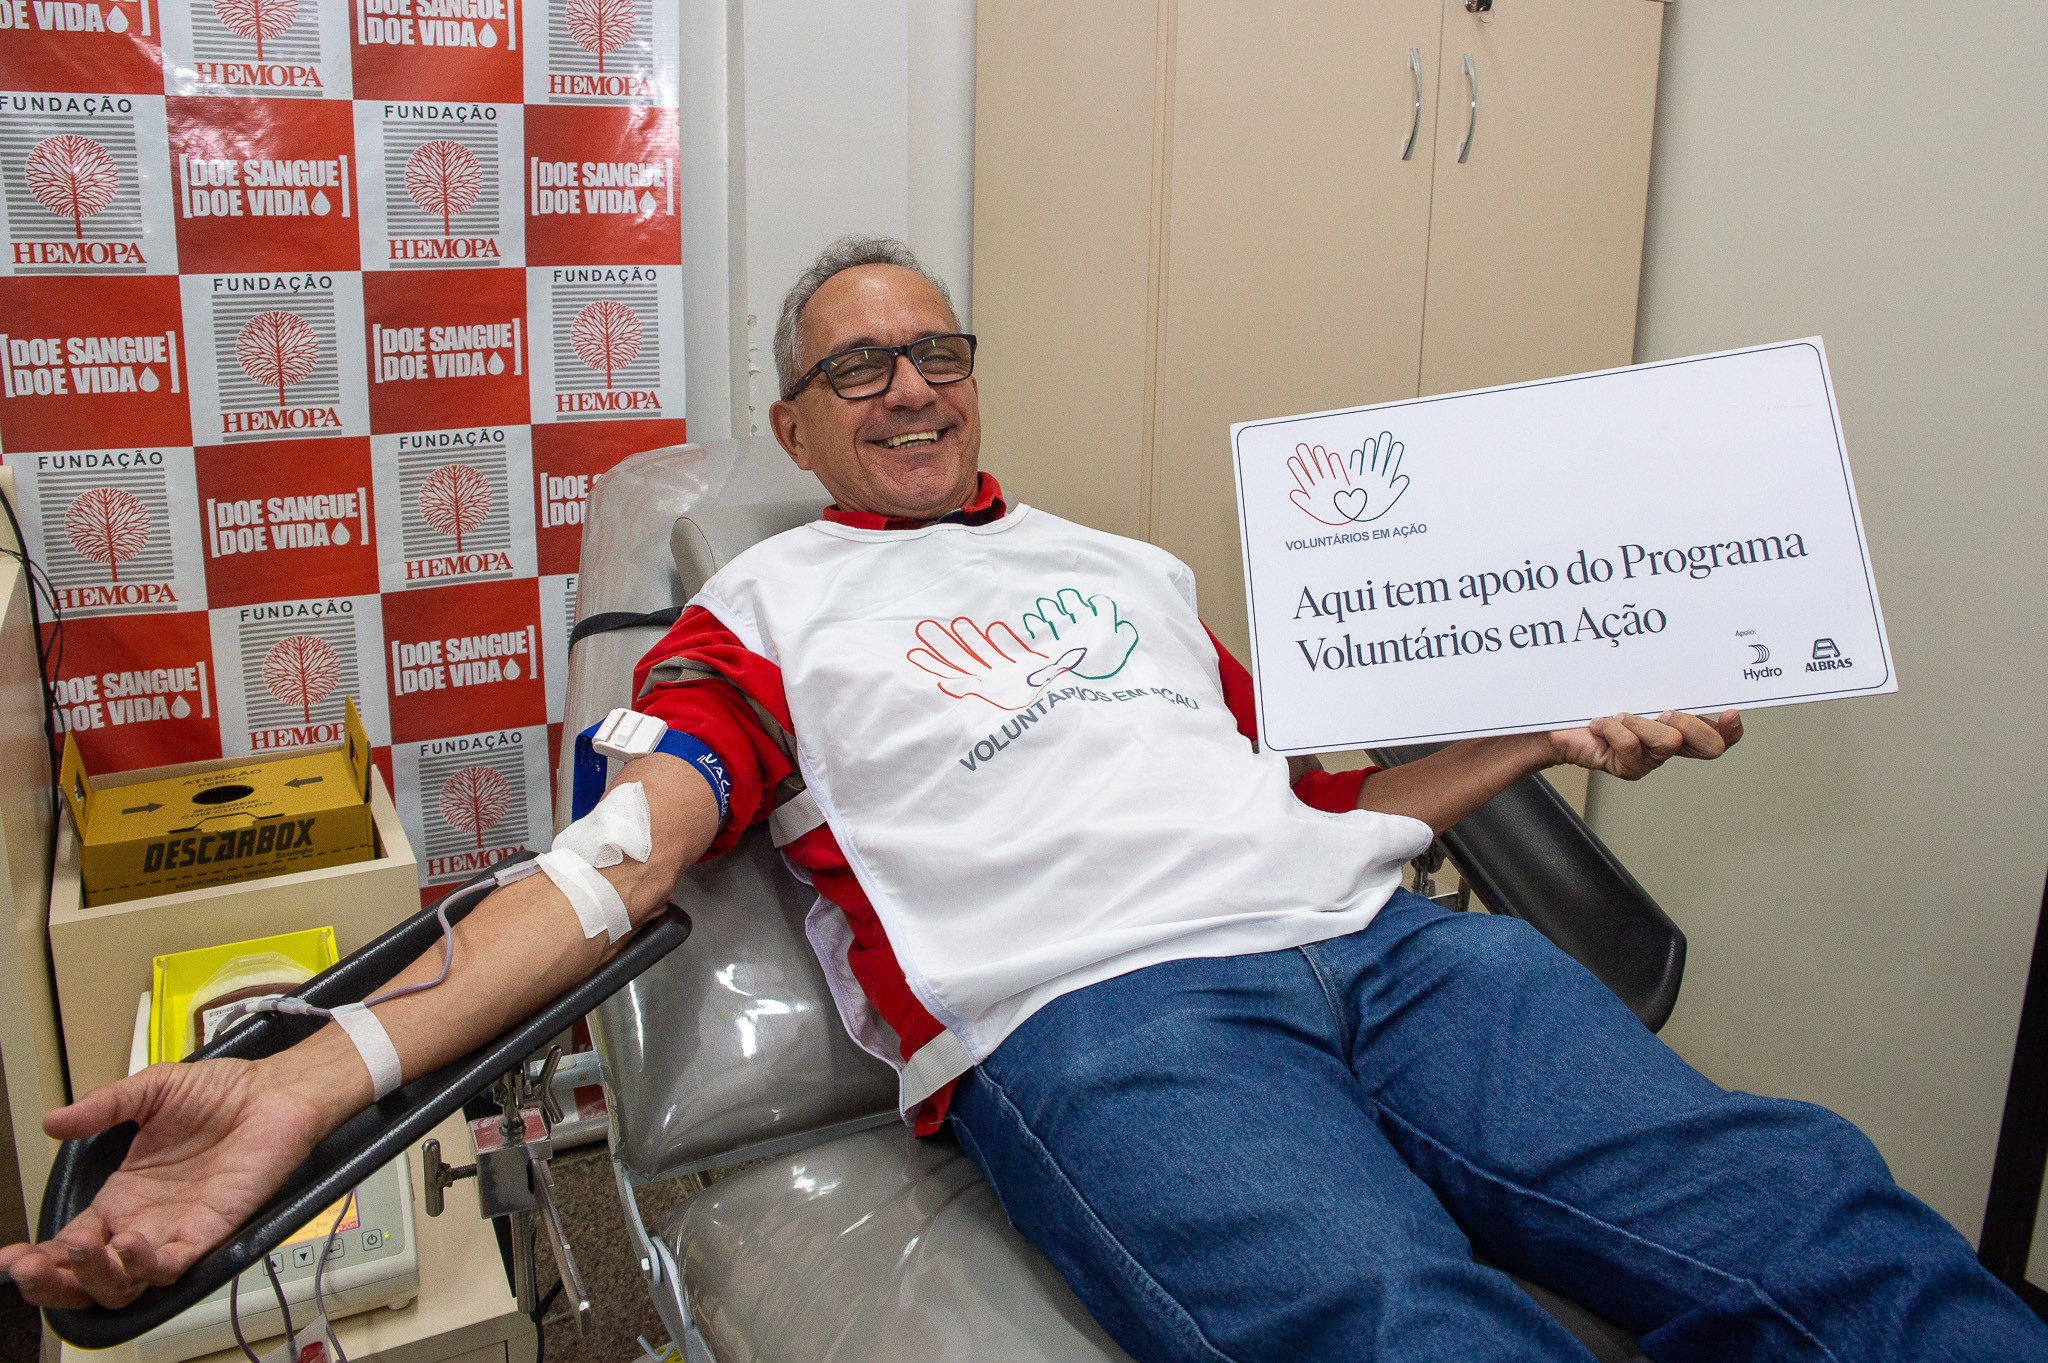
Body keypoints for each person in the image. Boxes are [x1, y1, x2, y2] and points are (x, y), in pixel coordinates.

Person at [4, 237, 2042, 1363]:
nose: (909, 384)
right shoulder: (761, 605)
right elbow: (616, 862)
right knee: (1400, 1328)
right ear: (791, 425)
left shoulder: (1124, 566)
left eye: (939, 349)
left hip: (1386, 947)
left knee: (1816, 1211)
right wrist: (318, 1071)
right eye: (855, 366)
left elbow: (1322, 787)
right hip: (1109, 1020)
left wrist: (1552, 722)